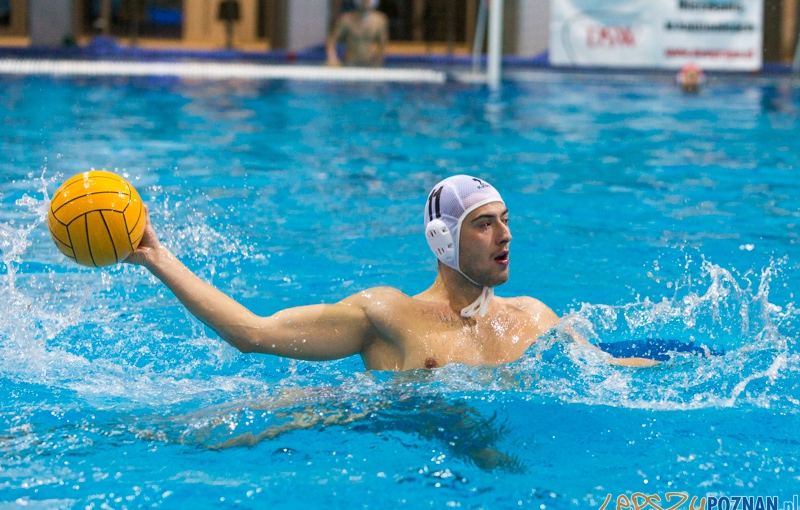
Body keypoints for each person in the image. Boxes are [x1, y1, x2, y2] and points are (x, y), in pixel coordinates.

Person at [126, 174, 568, 371]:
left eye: (505, 220)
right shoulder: (389, 316)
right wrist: (157, 257)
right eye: (485, 224)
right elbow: (252, 334)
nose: (506, 236)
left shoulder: (533, 317)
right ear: (442, 239)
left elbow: (601, 371)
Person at [326, 0, 389, 67]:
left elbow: (383, 44)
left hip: (368, 65)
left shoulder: (380, 21)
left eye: (367, 1)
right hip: (349, 64)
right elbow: (331, 40)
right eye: (364, 1)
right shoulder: (346, 20)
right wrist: (332, 58)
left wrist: (378, 61)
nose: (365, 2)